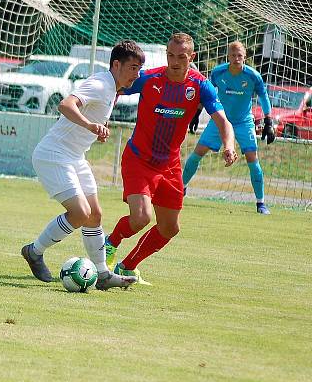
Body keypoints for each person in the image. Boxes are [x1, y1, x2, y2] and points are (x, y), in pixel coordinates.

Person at [104, 32, 238, 284]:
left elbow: (223, 121)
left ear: (192, 57)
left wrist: (229, 146)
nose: (174, 61)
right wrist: (101, 117)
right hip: (139, 159)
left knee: (169, 228)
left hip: (169, 166)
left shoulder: (200, 86)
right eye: (170, 55)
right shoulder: (150, 78)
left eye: (181, 57)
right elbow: (114, 86)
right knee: (141, 217)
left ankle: (127, 266)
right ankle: (110, 243)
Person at [21, 40, 145, 290]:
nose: (136, 74)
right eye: (132, 68)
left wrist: (95, 130)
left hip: (75, 157)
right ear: (116, 64)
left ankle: (102, 274)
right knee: (80, 213)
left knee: (95, 215)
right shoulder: (101, 84)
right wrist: (89, 125)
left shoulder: (112, 88)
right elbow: (66, 104)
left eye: (139, 69)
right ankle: (34, 251)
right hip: (54, 155)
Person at [182, 41, 275, 214]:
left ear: (244, 57)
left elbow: (263, 96)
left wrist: (269, 121)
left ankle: (261, 203)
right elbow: (207, 93)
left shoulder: (253, 76)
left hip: (243, 122)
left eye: (239, 55)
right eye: (233, 55)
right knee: (197, 153)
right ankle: (181, 188)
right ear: (228, 56)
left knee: (252, 159)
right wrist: (196, 112)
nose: (236, 58)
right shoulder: (218, 72)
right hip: (220, 120)